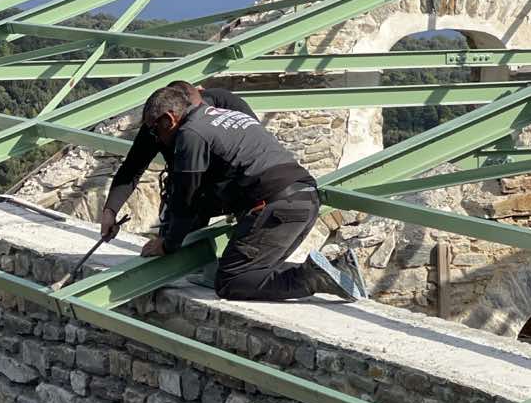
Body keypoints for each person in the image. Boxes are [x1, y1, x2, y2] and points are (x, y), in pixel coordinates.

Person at [138, 85, 363, 302]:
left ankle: (313, 278)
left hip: (276, 206)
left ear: (169, 119)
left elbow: (186, 197)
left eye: (155, 130)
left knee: (231, 281)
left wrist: (168, 244)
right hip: (305, 199)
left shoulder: (191, 133)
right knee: (257, 270)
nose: (156, 138)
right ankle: (338, 269)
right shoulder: (225, 115)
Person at [99, 81, 255, 241]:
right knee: (175, 236)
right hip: (186, 186)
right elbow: (132, 169)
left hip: (235, 184)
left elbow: (255, 152)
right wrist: (110, 211)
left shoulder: (225, 103)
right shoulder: (156, 126)